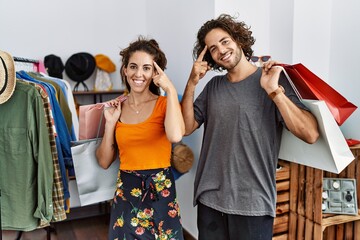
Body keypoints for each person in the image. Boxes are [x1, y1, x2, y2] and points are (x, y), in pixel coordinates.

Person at [181, 14, 319, 240]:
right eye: (213, 48)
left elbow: (310, 134)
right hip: (210, 200)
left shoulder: (272, 80)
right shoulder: (213, 87)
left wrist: (274, 91)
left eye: (225, 41)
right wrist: (192, 83)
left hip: (253, 204)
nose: (221, 50)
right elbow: (186, 128)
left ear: (238, 39)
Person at [96, 36, 185, 240]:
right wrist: (110, 124)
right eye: (133, 67)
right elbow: (103, 161)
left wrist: (170, 88)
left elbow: (175, 135)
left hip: (161, 191)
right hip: (127, 192)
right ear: (125, 70)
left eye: (146, 68)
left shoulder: (165, 104)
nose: (139, 74)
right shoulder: (116, 108)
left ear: (155, 73)